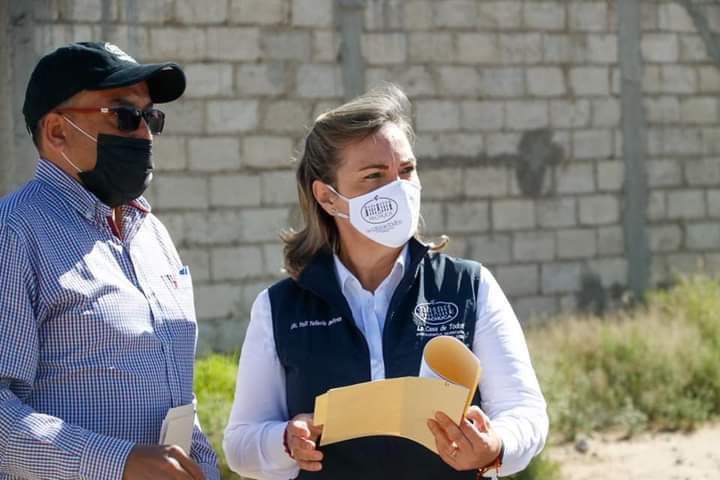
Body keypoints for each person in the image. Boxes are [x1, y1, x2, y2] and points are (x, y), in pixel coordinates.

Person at [223, 85, 548, 479]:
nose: (398, 189)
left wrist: (495, 446)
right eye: (374, 176)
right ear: (328, 198)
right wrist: (285, 442)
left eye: (406, 171)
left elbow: (526, 414)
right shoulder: (279, 308)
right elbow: (240, 445)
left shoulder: (470, 286)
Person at [0, 42, 218, 479]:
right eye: (124, 115)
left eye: (150, 117)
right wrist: (118, 463)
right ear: (57, 131)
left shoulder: (152, 234)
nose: (144, 134)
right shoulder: (15, 233)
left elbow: (177, 399)